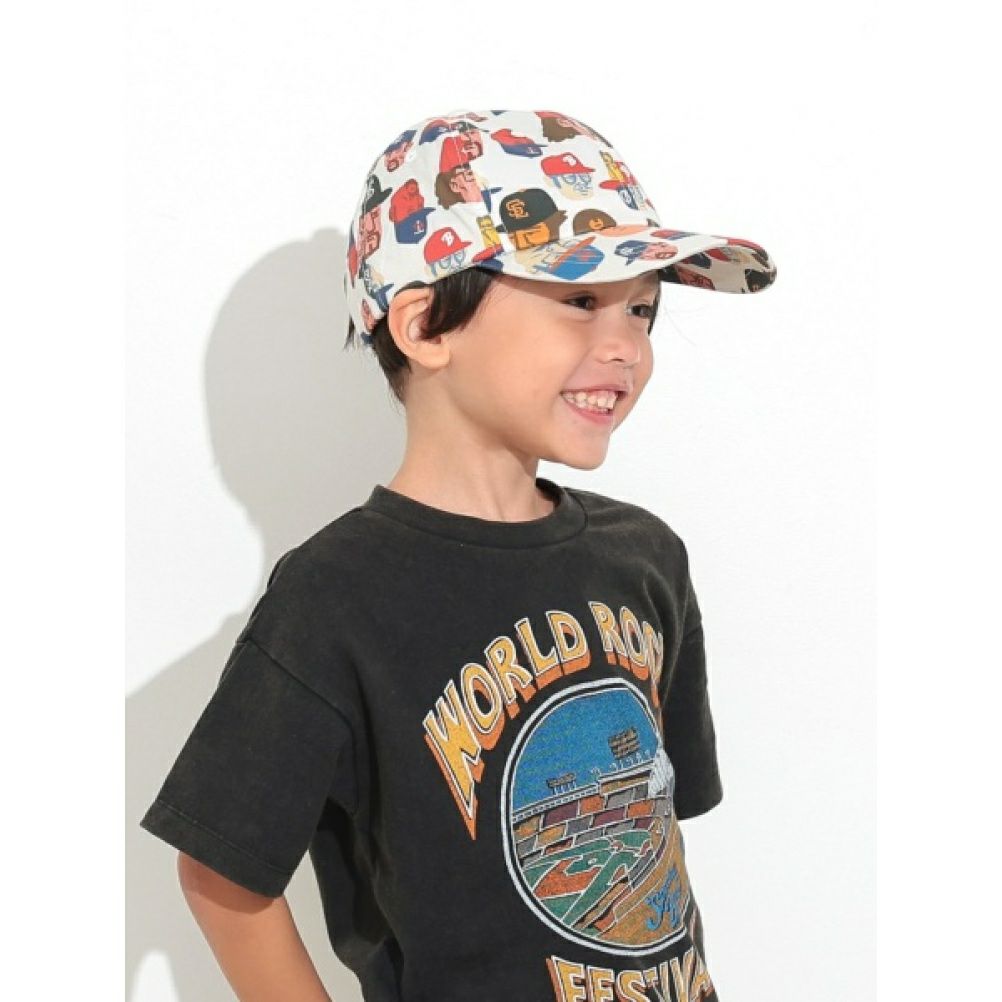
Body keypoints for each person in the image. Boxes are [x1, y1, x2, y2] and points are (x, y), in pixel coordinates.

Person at [139, 107, 778, 1002]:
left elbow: (654, 839)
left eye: (642, 309)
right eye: (581, 302)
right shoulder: (337, 598)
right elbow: (220, 869)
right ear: (426, 326)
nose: (627, 346)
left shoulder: (645, 558)